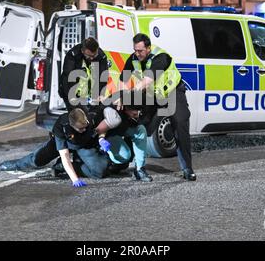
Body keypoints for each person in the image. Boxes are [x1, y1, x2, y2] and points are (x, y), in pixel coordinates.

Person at [116, 33, 197, 181]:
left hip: (172, 93)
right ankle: (130, 165)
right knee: (140, 126)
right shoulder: (134, 58)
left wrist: (132, 94)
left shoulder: (160, 57)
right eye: (135, 50)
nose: (137, 53)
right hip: (153, 96)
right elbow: (123, 79)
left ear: (148, 48)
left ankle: (187, 168)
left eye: (140, 50)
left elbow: (147, 80)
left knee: (180, 124)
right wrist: (122, 95)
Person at [0, 106, 122, 187]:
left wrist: (101, 140)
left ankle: (61, 167)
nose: (84, 129)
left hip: (85, 145)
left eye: (86, 126)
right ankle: (15, 164)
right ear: (72, 126)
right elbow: (65, 156)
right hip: (66, 144)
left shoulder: (89, 117)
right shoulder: (61, 127)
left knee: (99, 171)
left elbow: (102, 128)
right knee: (37, 159)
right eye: (81, 128)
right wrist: (74, 180)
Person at [106, 102, 153, 182]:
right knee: (125, 156)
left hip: (123, 126)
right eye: (135, 114)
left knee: (140, 130)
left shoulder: (136, 101)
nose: (137, 115)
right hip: (109, 133)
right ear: (126, 108)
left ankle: (139, 169)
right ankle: (109, 161)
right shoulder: (112, 109)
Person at [59, 37, 109, 110]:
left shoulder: (101, 56)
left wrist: (100, 94)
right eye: (89, 56)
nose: (92, 58)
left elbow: (103, 76)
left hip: (90, 95)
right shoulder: (73, 55)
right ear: (83, 51)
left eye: (94, 55)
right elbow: (67, 77)